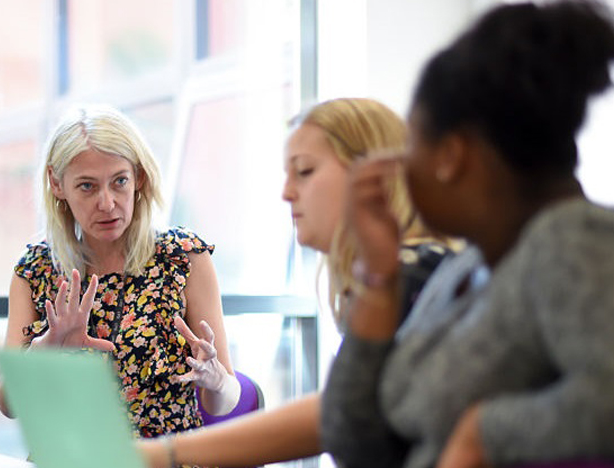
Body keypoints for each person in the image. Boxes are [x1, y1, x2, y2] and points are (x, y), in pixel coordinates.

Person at [322, 2, 614, 468]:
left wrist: (484, 432)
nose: (400, 166)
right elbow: (357, 441)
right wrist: (377, 277)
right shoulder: (472, 266)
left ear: (450, 155)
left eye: (412, 142)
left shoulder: (574, 242)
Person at [138, 98, 457, 468]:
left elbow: (335, 414)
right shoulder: (399, 273)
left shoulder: (414, 276)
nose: (287, 192)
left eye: (304, 172)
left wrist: (165, 454)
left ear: (374, 176)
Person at [0, 105, 241, 440]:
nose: (108, 203)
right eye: (87, 186)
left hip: (165, 460)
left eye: (119, 182)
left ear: (139, 177)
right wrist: (45, 350)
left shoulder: (183, 259)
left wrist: (216, 379)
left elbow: (225, 400)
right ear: (57, 184)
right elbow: (8, 404)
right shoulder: (36, 270)